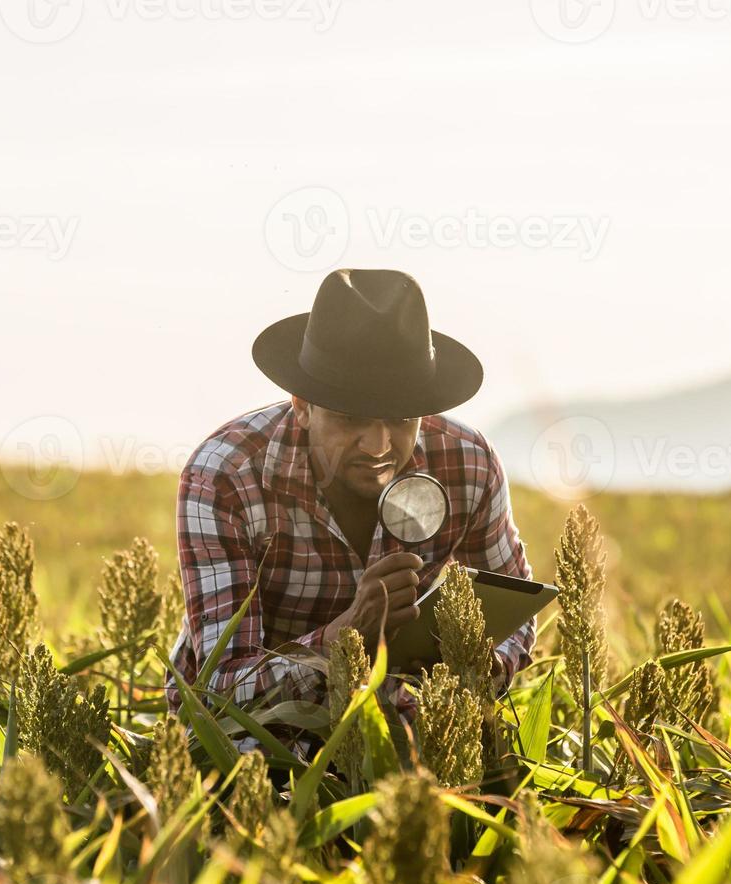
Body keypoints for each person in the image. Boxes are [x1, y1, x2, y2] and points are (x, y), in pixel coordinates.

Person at [169, 268, 535, 725]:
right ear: (302, 406)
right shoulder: (226, 477)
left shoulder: (468, 463)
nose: (379, 445)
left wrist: (474, 668)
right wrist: (344, 639)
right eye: (351, 419)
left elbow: (517, 614)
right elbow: (219, 687)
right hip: (261, 734)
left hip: (406, 720)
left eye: (402, 419)